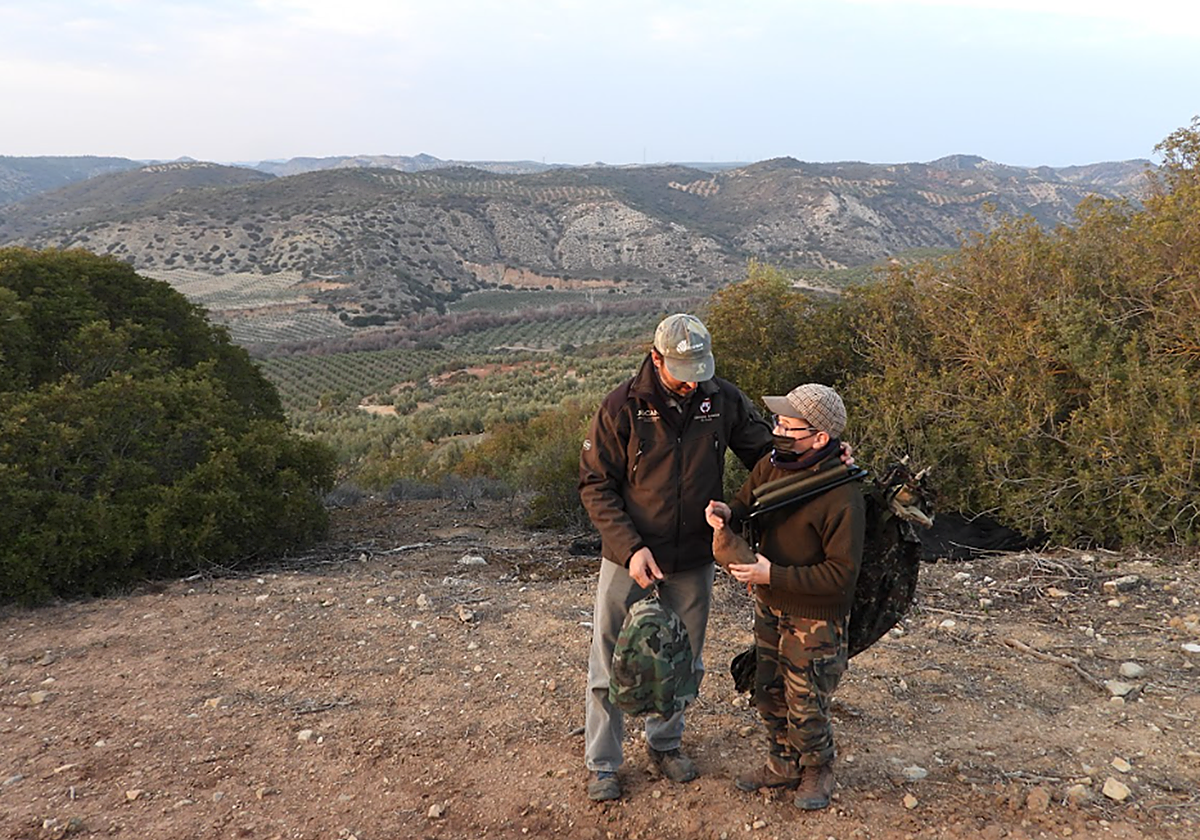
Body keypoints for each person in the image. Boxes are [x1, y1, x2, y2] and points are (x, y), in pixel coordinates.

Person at [578, 313, 775, 802]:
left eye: (699, 369)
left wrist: (819, 453)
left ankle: (665, 745)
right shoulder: (621, 407)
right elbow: (596, 486)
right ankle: (604, 763)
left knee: (684, 658)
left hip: (694, 558)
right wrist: (631, 548)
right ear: (655, 357)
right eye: (681, 370)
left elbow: (766, 456)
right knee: (610, 659)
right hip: (630, 556)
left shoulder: (722, 398)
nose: (691, 381)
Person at [704, 383, 865, 811]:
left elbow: (841, 575)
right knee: (768, 688)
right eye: (777, 421)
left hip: (814, 615)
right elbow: (745, 502)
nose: (777, 430)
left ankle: (817, 768)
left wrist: (770, 572)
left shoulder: (843, 496)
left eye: (789, 426)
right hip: (769, 603)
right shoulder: (773, 466)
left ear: (821, 438)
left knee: (806, 697)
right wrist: (726, 514)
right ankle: (782, 762)